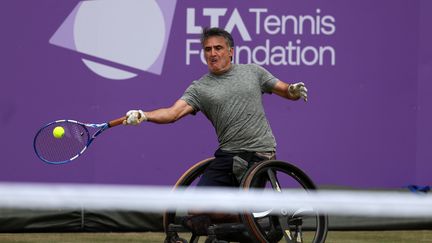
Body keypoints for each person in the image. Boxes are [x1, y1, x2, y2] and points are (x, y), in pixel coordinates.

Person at [123, 27, 307, 236]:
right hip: (227, 156)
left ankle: (254, 219)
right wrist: (144, 115)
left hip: (259, 155)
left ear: (231, 51)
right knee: (197, 210)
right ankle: (261, 219)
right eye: (207, 49)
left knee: (216, 214)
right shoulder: (200, 88)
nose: (213, 53)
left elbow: (285, 90)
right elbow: (172, 113)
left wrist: (293, 91)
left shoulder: (253, 72)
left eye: (218, 48)